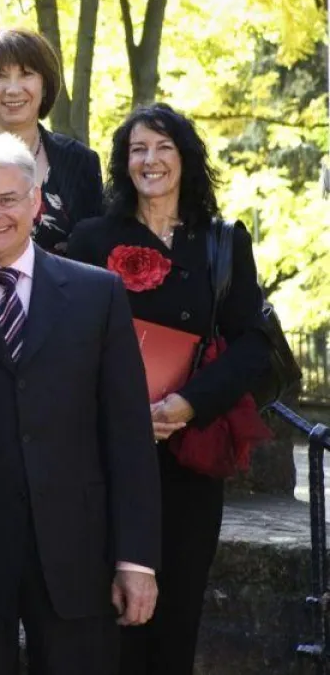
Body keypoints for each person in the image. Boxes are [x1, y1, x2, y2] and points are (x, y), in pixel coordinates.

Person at [0, 132, 161, 675]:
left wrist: (136, 559)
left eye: (8, 198)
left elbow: (128, 435)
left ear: (36, 201)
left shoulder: (97, 294)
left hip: (78, 548)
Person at [68, 104, 272, 675]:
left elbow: (253, 345)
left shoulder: (221, 241)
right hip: (104, 456)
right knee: (101, 620)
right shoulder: (93, 239)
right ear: (122, 162)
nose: (150, 160)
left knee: (175, 618)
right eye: (137, 149)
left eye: (162, 147)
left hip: (186, 457)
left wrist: (189, 404)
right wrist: (121, 409)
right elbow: (65, 344)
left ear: (184, 158)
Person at [0, 27, 102, 261]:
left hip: (64, 296)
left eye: (26, 74)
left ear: (44, 86)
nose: (13, 89)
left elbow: (93, 255)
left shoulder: (81, 162)